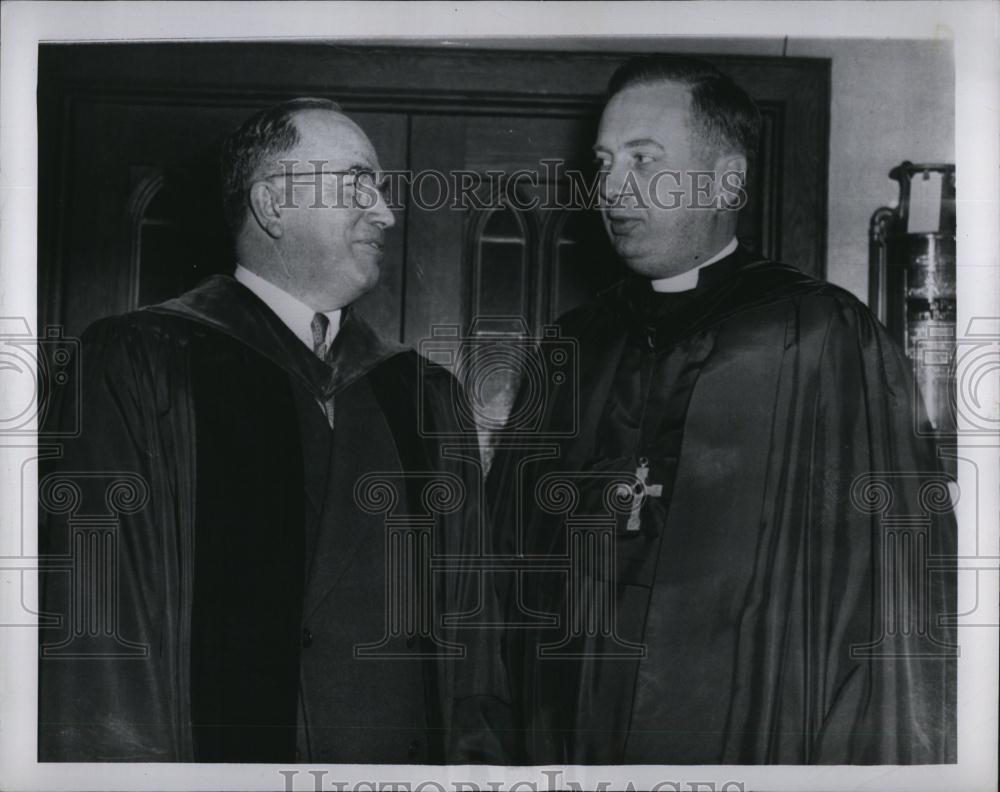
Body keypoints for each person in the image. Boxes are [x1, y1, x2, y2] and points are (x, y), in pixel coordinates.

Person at [489, 57, 956, 765]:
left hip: (749, 738)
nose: (611, 187)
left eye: (644, 160)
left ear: (727, 181)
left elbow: (896, 598)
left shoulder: (819, 338)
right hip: (569, 739)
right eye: (605, 162)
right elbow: (499, 573)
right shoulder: (573, 347)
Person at [38, 98, 508, 764]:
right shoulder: (141, 364)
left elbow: (472, 648)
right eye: (357, 184)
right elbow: (100, 649)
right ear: (273, 204)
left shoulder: (424, 394)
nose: (385, 212)